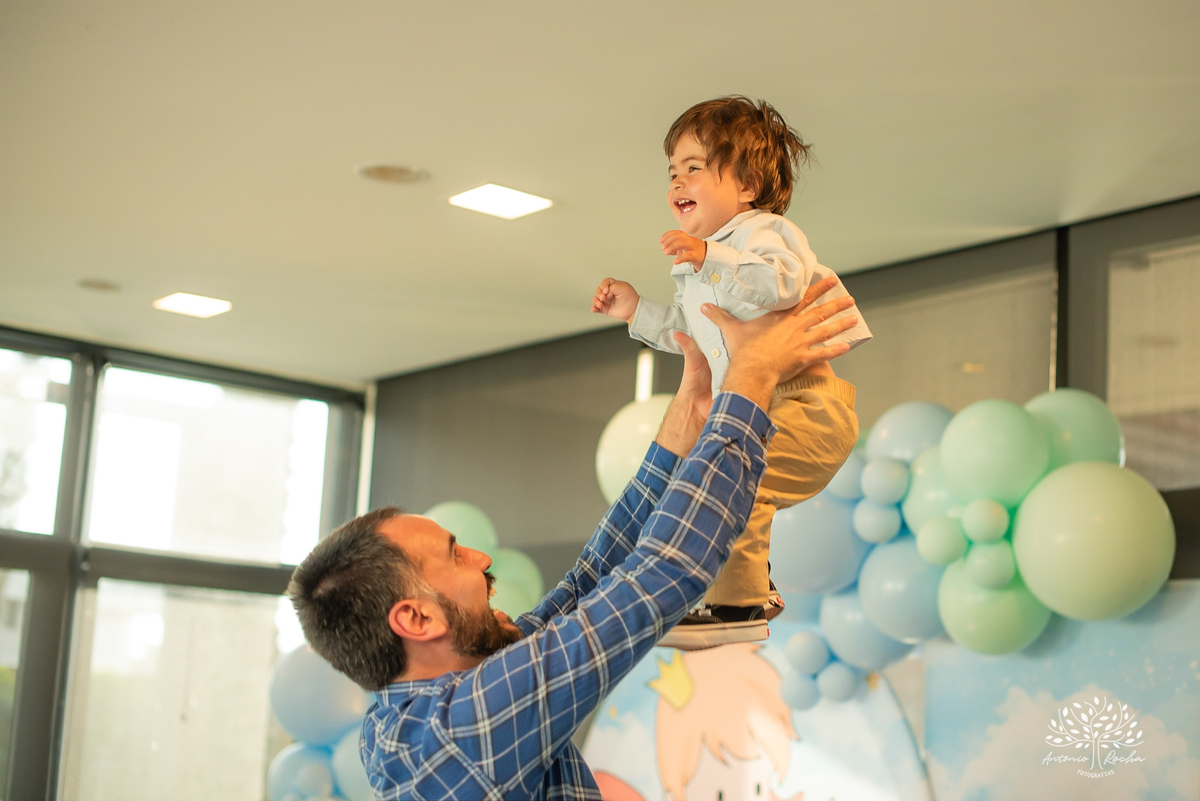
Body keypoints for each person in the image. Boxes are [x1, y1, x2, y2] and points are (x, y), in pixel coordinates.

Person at [288, 278, 858, 801]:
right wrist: (752, 377)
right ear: (416, 620)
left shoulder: (425, 710)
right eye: (454, 557)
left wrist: (690, 408)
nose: (482, 558)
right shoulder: (457, 734)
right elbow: (660, 575)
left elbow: (592, 584)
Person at [591, 95, 872, 649]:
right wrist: (636, 310)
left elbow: (783, 283)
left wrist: (708, 258)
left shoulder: (763, 233)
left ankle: (739, 609)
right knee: (715, 484)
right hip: (759, 407)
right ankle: (749, 586)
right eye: (673, 173)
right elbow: (694, 330)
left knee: (730, 483)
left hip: (806, 405)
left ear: (746, 185)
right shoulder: (701, 261)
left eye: (694, 168)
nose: (677, 183)